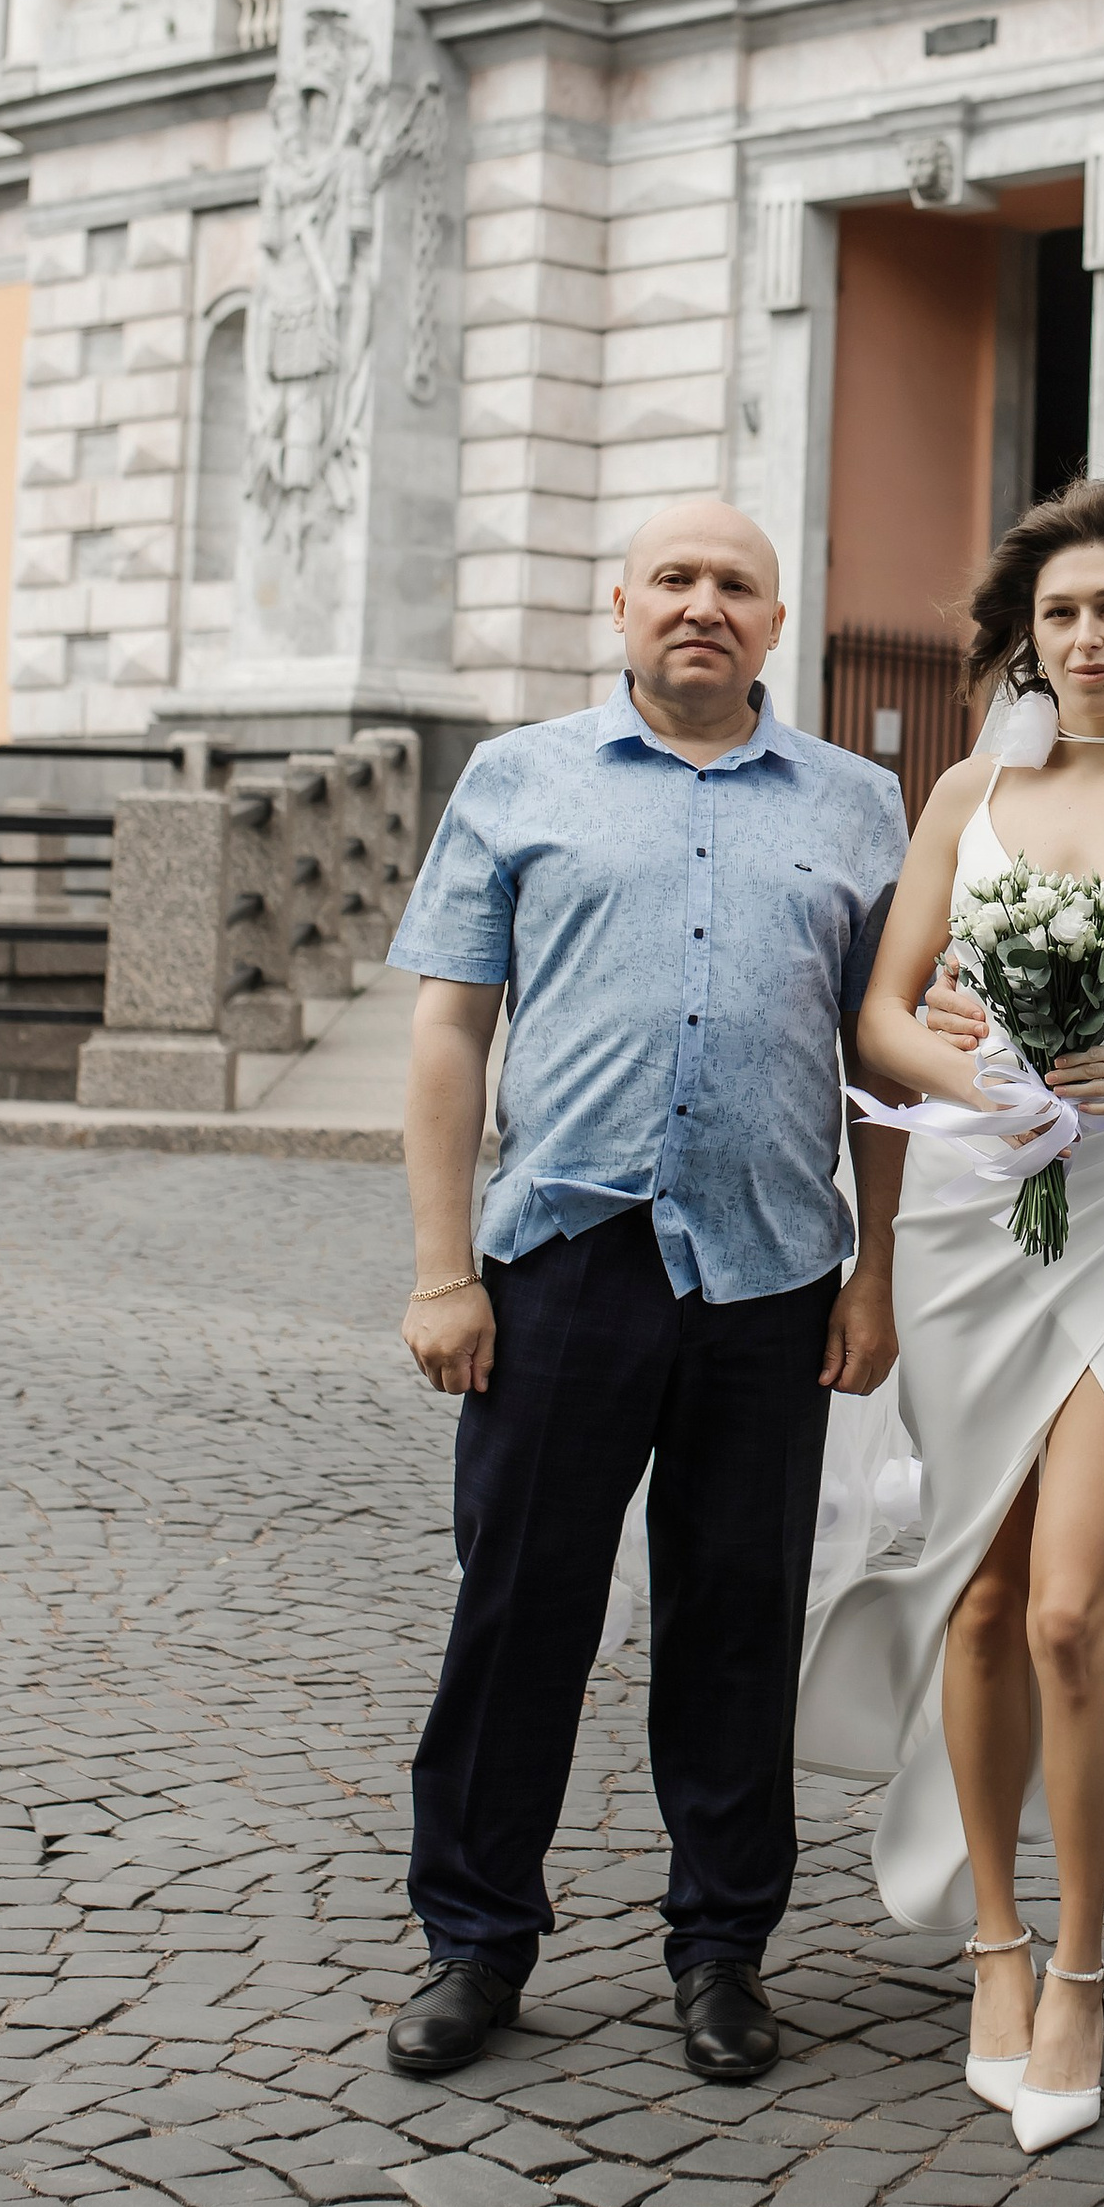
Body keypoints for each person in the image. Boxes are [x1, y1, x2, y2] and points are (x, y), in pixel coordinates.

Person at [383, 501, 906, 2086]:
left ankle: (722, 1948)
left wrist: (876, 1273)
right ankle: (476, 1939)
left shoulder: (858, 801)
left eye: (734, 584)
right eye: (673, 579)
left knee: (737, 1619)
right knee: (518, 1609)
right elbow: (449, 1032)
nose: (702, 604)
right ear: (619, 604)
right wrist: (444, 1272)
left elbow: (881, 1063)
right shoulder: (518, 776)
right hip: (562, 1263)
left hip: (770, 1274)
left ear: (775, 620)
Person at [803, 478, 1104, 2154]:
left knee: (1076, 1604)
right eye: (1059, 613)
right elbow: (883, 1013)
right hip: (968, 1217)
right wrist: (977, 1080)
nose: (1086, 637)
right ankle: (995, 1949)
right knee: (984, 1595)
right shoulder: (971, 790)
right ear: (1031, 634)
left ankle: (1085, 1961)